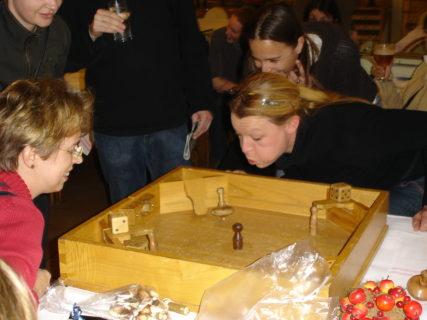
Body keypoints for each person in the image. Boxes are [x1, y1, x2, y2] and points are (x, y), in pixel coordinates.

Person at [229, 72, 427, 231]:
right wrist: (251, 185)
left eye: (256, 138)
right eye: (239, 135)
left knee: (358, 235)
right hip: (359, 189)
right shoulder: (288, 142)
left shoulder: (350, 128)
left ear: (291, 124)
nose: (244, 148)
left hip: (408, 183)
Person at [60, 0, 213, 204]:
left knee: (177, 205)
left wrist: (201, 100)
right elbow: (67, 60)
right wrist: (91, 33)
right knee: (126, 212)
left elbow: (191, 42)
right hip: (113, 122)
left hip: (169, 116)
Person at [0, 78, 93, 298]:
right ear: (31, 154)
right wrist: (34, 287)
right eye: (71, 149)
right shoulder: (20, 216)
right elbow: (10, 306)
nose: (78, 160)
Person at [0, 0, 71, 267]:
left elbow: (53, 91)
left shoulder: (60, 31)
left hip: (34, 165)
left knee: (32, 250)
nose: (52, 4)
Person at [247, 2, 377, 102]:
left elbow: (348, 115)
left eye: (273, 60)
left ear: (299, 45)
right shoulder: (259, 50)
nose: (264, 70)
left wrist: (307, 96)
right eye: (257, 60)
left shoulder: (340, 52)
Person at [209, 6, 255, 167]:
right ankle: (219, 161)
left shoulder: (252, 48)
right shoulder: (219, 37)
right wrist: (241, 88)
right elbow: (216, 82)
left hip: (245, 97)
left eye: (234, 31)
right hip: (224, 96)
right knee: (219, 107)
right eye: (228, 26)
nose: (227, 31)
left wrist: (238, 88)